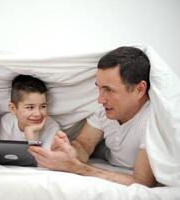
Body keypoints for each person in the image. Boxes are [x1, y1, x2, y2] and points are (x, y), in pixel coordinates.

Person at [29, 46, 157, 187]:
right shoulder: (105, 109)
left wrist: (75, 167)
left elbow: (142, 182)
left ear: (139, 89)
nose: (100, 99)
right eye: (100, 88)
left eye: (109, 90)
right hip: (107, 159)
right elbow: (84, 144)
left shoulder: (152, 120)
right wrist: (69, 151)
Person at [0, 74, 60, 149]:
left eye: (43, 106)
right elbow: (1, 152)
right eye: (30, 107)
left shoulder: (52, 127)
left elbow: (43, 160)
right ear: (13, 108)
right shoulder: (7, 121)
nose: (38, 114)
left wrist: (30, 134)